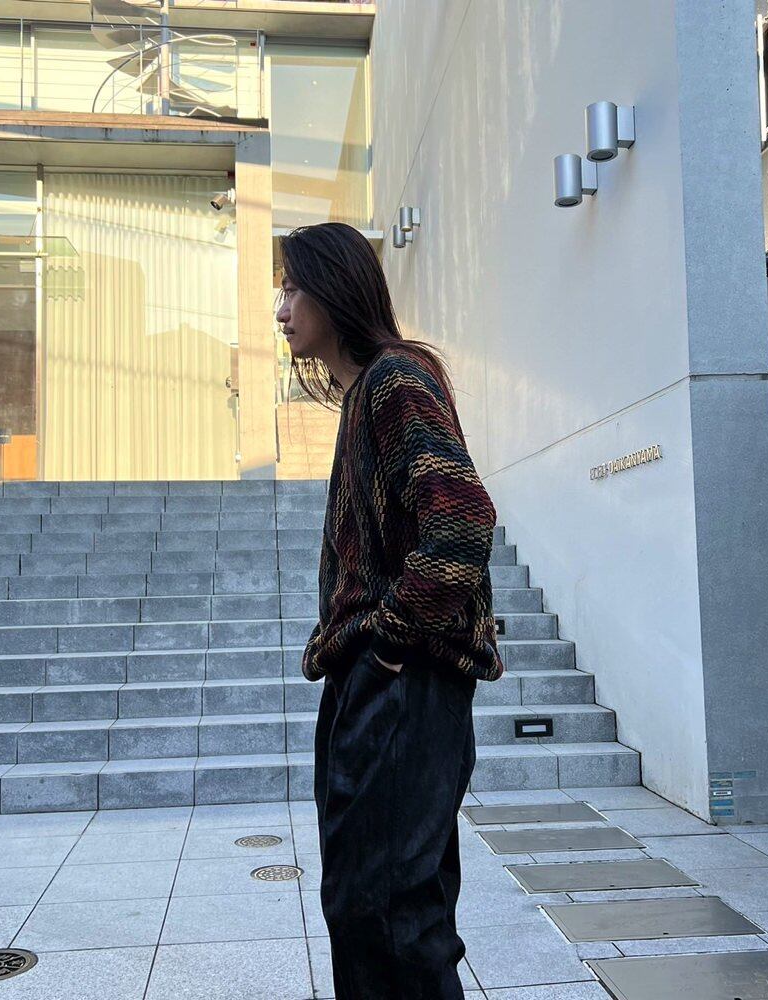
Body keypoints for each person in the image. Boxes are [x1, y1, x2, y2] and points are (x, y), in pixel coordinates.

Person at [275, 222, 505, 999]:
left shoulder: (394, 380)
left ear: (334, 290)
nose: (282, 309)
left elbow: (463, 519)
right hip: (380, 684)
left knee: (387, 916)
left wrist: (388, 648)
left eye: (292, 288)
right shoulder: (371, 392)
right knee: (377, 909)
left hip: (402, 686)